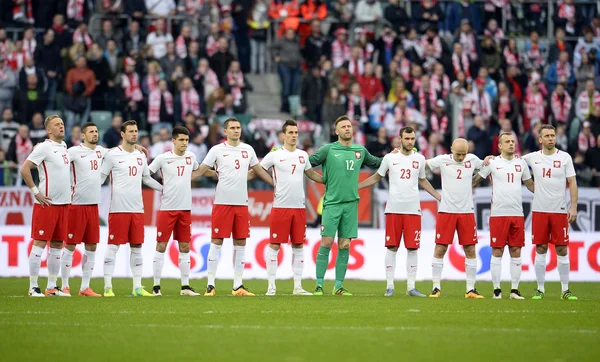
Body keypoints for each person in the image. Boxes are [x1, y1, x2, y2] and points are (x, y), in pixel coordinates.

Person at [193, 118, 274, 296]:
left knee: (241, 242)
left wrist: (275, 184)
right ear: (225, 131)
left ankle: (238, 285)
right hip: (222, 203)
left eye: (238, 127)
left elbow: (259, 170)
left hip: (242, 204)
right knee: (216, 241)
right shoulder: (217, 150)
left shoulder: (248, 149)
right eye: (232, 128)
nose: (236, 130)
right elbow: (201, 169)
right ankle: (210, 285)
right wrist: (186, 180)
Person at [358, 126, 440, 297]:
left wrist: (439, 196)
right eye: (407, 138)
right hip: (394, 209)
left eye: (412, 139)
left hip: (413, 210)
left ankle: (411, 287)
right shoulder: (390, 158)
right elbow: (377, 177)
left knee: (412, 249)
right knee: (392, 247)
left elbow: (423, 181)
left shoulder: (419, 159)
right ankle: (390, 286)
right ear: (400, 139)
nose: (410, 142)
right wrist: (357, 186)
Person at [309, 115, 382, 296]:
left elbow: (378, 163)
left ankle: (338, 287)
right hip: (332, 204)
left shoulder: (360, 151)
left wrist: (395, 156)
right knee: (326, 242)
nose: (347, 129)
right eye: (343, 126)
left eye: (349, 126)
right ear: (337, 131)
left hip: (351, 205)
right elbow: (305, 163)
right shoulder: (328, 149)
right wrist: (320, 179)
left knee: (345, 245)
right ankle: (319, 285)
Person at [257, 120, 324, 296]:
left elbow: (310, 173)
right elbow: (259, 169)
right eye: (291, 132)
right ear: (283, 135)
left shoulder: (303, 155)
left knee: (298, 245)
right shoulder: (275, 154)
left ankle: (298, 286)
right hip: (281, 206)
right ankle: (271, 286)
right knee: (274, 245)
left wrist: (327, 180)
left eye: (296, 132)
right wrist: (272, 182)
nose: (294, 135)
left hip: (299, 207)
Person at [100, 120, 163, 297]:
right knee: (113, 246)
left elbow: (147, 179)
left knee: (137, 247)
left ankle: (137, 287)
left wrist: (164, 189)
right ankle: (107, 287)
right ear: (122, 134)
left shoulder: (140, 156)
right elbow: (101, 178)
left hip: (137, 209)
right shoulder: (112, 155)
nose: (134, 134)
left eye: (136, 131)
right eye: (131, 131)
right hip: (118, 209)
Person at [148, 126, 212, 296]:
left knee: (185, 246)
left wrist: (221, 173)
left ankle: (185, 287)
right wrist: (160, 188)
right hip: (167, 209)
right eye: (181, 140)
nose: (184, 143)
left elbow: (199, 171)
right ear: (174, 141)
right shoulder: (163, 158)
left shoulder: (191, 157)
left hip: (185, 209)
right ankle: (156, 287)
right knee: (161, 245)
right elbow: (145, 174)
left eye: (186, 140)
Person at [473, 133, 535, 299]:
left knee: (516, 251)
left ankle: (514, 290)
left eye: (513, 141)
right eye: (507, 142)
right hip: (498, 214)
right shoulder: (492, 162)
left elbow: (529, 184)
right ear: (499, 146)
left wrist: (546, 194)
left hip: (517, 214)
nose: (511, 144)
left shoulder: (520, 163)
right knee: (497, 251)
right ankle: (497, 290)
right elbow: (475, 180)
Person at [522, 125, 578, 300]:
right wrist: (492, 158)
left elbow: (572, 182)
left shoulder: (564, 157)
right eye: (546, 136)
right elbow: (512, 161)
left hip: (559, 210)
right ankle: (540, 289)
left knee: (562, 248)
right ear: (540, 140)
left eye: (552, 135)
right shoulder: (532, 157)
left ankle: (565, 290)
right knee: (541, 248)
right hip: (539, 211)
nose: (550, 138)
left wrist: (574, 206)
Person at [20, 115, 71, 297]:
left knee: (57, 244)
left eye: (62, 124)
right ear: (49, 130)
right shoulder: (43, 148)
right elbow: (25, 169)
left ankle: (51, 286)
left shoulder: (64, 147)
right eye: (57, 125)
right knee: (40, 243)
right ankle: (33, 286)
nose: (61, 127)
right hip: (47, 204)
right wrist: (36, 192)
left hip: (64, 204)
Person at [427, 138, 485, 298]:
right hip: (447, 211)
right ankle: (436, 287)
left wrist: (491, 158)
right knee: (440, 248)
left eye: (463, 154)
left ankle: (470, 289)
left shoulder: (472, 160)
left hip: (466, 212)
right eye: (458, 154)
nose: (461, 158)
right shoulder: (443, 160)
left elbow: (487, 166)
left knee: (470, 249)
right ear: (451, 149)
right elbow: (422, 164)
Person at [63, 122, 109, 297]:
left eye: (96, 131)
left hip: (93, 206)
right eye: (91, 131)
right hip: (76, 205)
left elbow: (119, 151)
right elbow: (59, 159)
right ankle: (65, 286)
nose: (94, 134)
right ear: (83, 135)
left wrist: (136, 147)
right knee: (70, 246)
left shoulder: (101, 151)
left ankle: (85, 287)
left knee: (91, 246)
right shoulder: (74, 151)